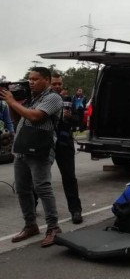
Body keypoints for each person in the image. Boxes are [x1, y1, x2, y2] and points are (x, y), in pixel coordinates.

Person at [0, 67, 63, 247]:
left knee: (42, 187)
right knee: (22, 189)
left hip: (40, 149)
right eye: (30, 79)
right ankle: (30, 225)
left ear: (47, 80)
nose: (31, 82)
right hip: (22, 148)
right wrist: (14, 103)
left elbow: (35, 117)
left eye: (35, 79)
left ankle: (53, 227)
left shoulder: (53, 98)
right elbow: (19, 119)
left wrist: (12, 102)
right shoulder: (30, 98)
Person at [51, 73, 83, 224]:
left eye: (59, 84)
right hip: (47, 145)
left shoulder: (68, 101)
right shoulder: (42, 100)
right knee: (39, 179)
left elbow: (80, 122)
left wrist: (70, 117)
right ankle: (32, 207)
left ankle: (76, 210)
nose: (57, 86)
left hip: (64, 144)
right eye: (54, 84)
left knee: (69, 178)